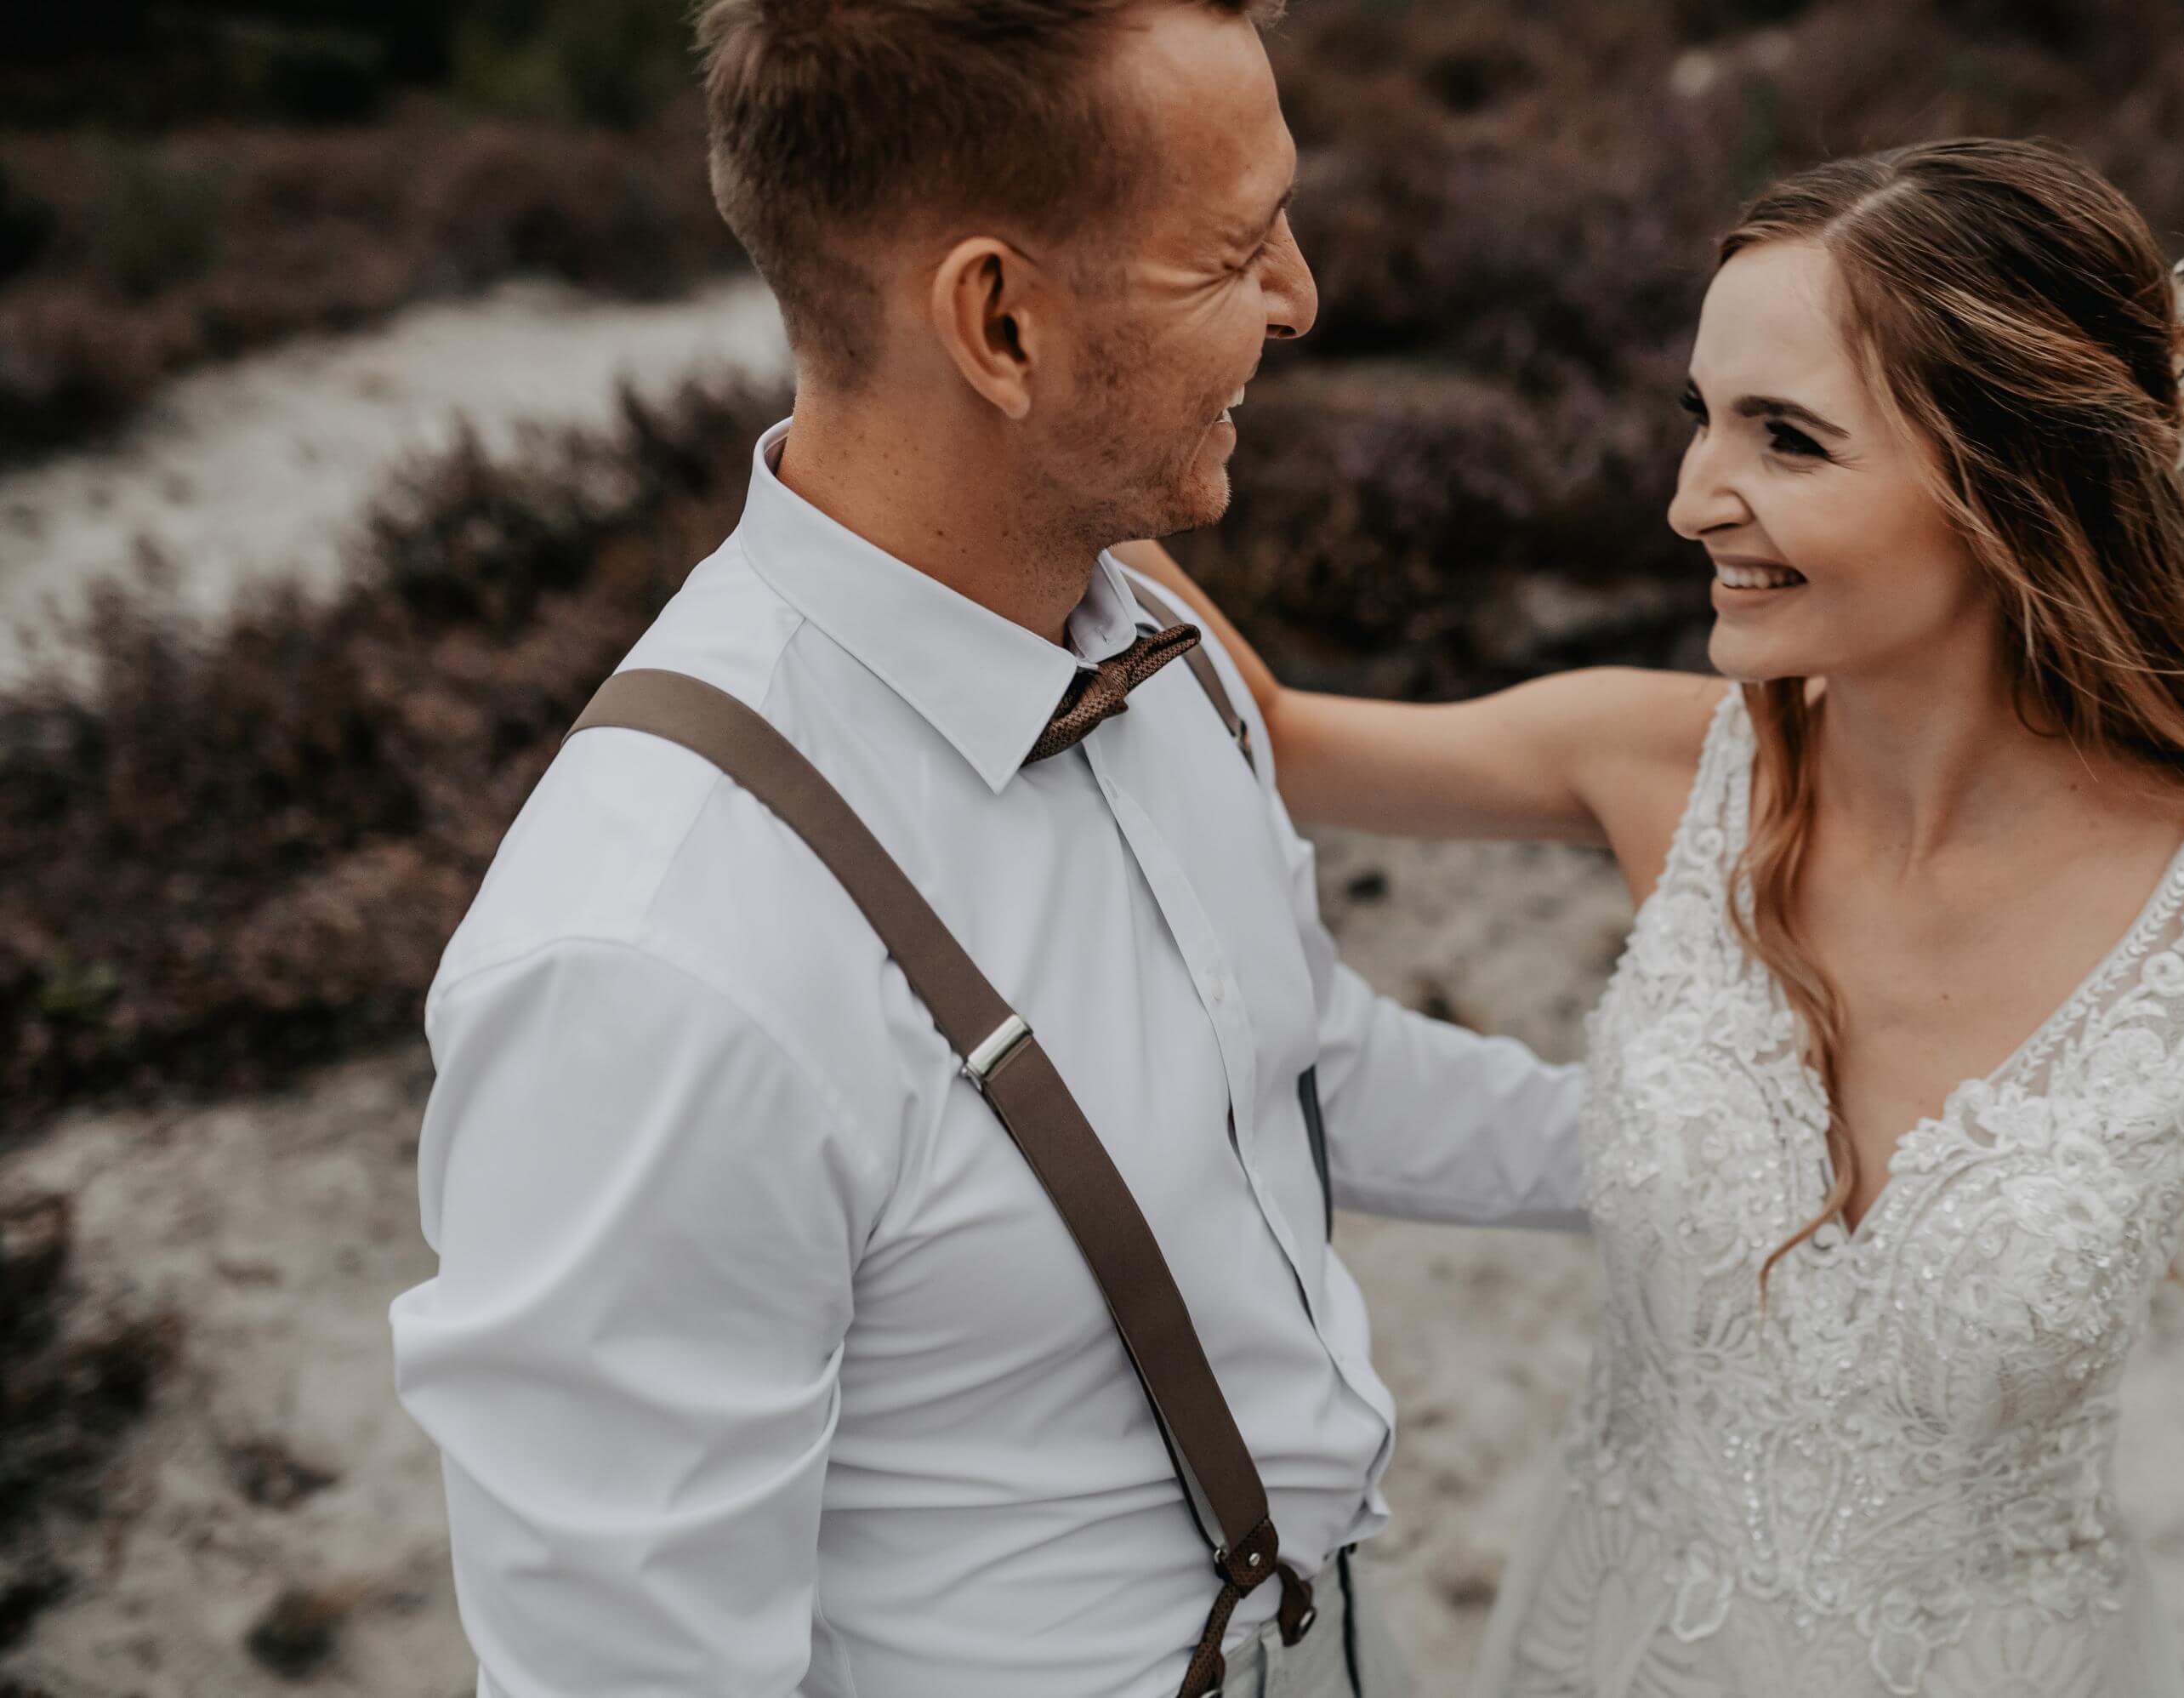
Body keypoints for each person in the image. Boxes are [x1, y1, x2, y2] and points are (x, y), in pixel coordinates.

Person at [1135, 136, 2184, 1696]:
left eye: (1788, 439)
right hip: (1618, 1647)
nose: (1691, 501)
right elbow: (1269, 731)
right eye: (1702, 418)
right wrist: (1033, 413)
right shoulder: (1650, 764)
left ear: (2014, 481)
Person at [385, 3, 1589, 1695]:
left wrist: (1713, 1153)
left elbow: (1292, 1057)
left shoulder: (1160, 645)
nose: (1300, 296)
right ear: (999, 322)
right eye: (1233, 248)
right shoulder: (655, 961)